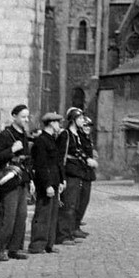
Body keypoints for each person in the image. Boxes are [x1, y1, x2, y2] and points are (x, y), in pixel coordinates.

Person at [0, 103, 32, 262]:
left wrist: (31, 180)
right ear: (14, 116)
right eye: (23, 116)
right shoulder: (6, 135)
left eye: (27, 117)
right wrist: (11, 150)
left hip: (22, 179)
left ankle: (14, 248)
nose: (26, 119)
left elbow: (28, 160)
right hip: (9, 180)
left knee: (21, 216)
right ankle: (1, 248)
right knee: (8, 215)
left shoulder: (24, 134)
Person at [28, 112, 65, 255]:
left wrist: (60, 181)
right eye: (57, 123)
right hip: (46, 184)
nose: (59, 125)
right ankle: (37, 245)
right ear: (51, 123)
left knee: (52, 214)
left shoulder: (51, 140)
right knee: (43, 215)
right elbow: (41, 165)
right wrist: (47, 185)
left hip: (54, 182)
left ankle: (49, 244)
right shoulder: (41, 141)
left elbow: (57, 163)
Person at [56, 107, 92, 245]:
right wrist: (61, 177)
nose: (83, 121)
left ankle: (70, 232)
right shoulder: (66, 134)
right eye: (81, 118)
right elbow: (61, 157)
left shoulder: (77, 135)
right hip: (69, 173)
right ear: (74, 120)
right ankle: (62, 235)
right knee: (68, 205)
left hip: (77, 173)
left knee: (74, 204)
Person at [74, 116, 98, 236]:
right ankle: (74, 226)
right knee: (79, 201)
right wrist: (88, 160)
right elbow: (79, 154)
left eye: (89, 126)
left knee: (84, 201)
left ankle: (76, 225)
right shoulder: (79, 138)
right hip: (81, 172)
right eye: (85, 126)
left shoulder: (87, 138)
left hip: (87, 173)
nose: (87, 128)